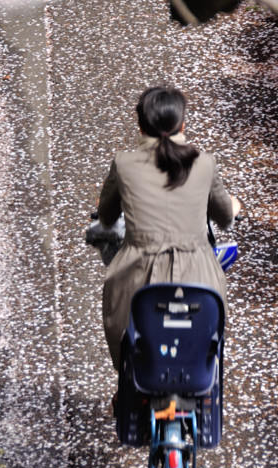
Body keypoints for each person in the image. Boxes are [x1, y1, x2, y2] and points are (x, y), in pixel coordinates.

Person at [98, 85, 241, 371]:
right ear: (182, 123)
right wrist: (234, 206)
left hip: (136, 278)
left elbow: (106, 216)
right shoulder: (204, 164)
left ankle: (128, 381)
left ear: (140, 125)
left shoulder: (124, 164)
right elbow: (225, 219)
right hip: (199, 279)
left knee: (121, 326)